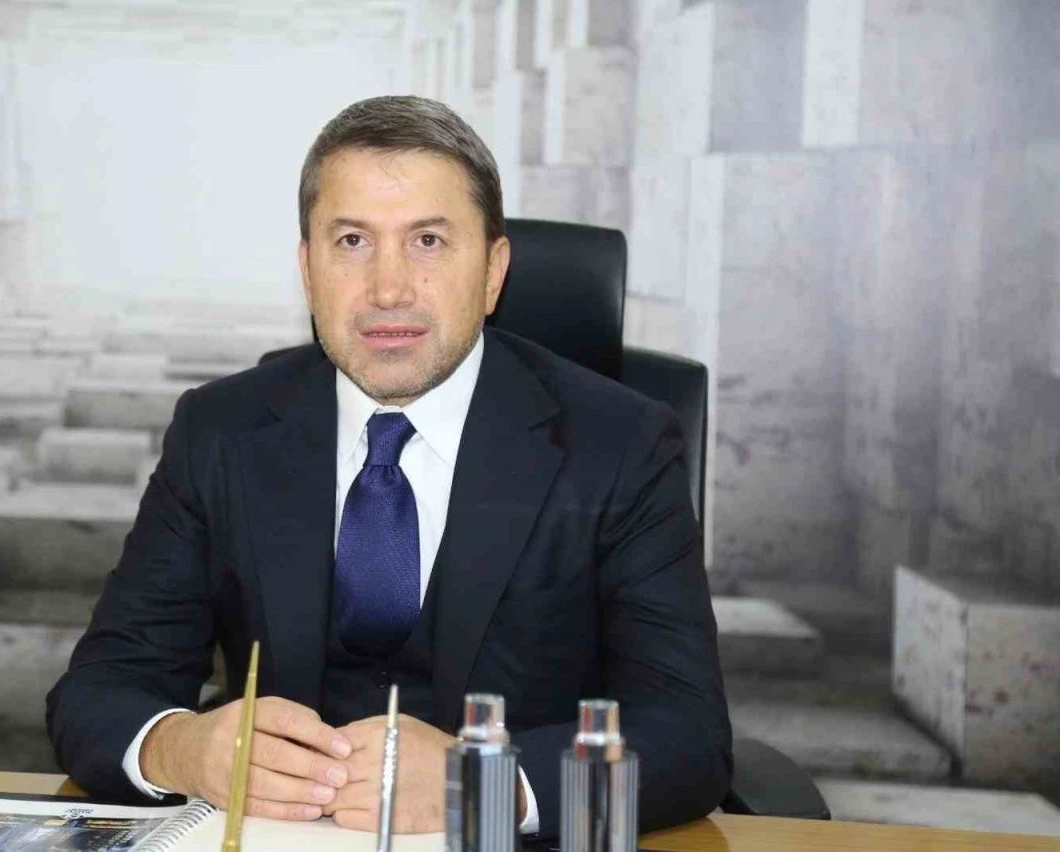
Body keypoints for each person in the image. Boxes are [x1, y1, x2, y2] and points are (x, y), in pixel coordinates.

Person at [46, 95, 731, 839]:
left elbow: (687, 736)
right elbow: (99, 690)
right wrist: (185, 748)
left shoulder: (620, 444)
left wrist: (488, 782)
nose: (388, 289)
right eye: (351, 242)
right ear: (308, 270)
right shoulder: (220, 431)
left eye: (428, 241)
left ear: (493, 271)